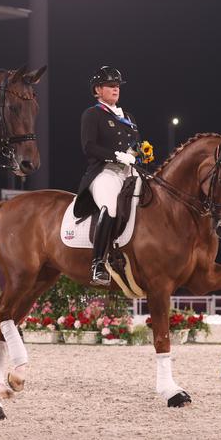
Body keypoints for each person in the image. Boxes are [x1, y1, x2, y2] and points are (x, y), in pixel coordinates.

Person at [76, 66, 141, 286]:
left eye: (117, 86)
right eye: (111, 86)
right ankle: (98, 264)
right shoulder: (92, 114)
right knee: (111, 206)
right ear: (98, 90)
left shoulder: (128, 117)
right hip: (104, 173)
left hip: (129, 172)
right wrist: (116, 156)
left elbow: (135, 146)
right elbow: (88, 146)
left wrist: (140, 153)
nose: (116, 89)